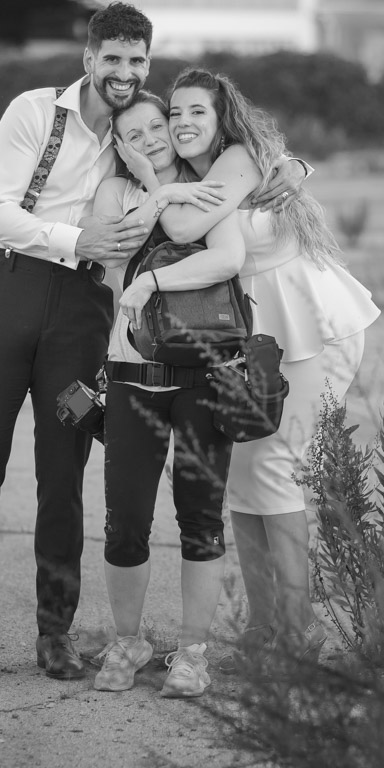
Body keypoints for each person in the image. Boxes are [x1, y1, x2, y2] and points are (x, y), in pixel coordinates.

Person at [0, 3, 308, 686]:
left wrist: (292, 164)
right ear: (89, 59)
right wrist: (75, 237)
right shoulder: (34, 113)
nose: (124, 72)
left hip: (83, 304)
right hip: (7, 287)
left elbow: (220, 144)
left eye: (136, 61)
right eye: (111, 58)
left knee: (64, 470)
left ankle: (55, 633)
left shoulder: (141, 130)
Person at [120, 67, 380, 662]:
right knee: (240, 472)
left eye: (197, 112)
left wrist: (155, 185)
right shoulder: (193, 174)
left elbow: (184, 226)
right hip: (254, 334)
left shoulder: (237, 158)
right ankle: (263, 628)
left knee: (277, 469)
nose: (183, 123)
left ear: (222, 119)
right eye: (175, 113)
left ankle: (299, 630)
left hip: (310, 324)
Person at [89, 92, 247, 698]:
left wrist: (168, 189)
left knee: (200, 518)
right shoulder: (113, 192)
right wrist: (156, 191)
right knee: (125, 520)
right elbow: (117, 259)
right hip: (132, 374)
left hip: (204, 373)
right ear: (119, 144)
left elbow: (225, 262)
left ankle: (192, 653)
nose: (153, 137)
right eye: (135, 133)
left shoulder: (207, 184)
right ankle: (129, 640)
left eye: (158, 125)